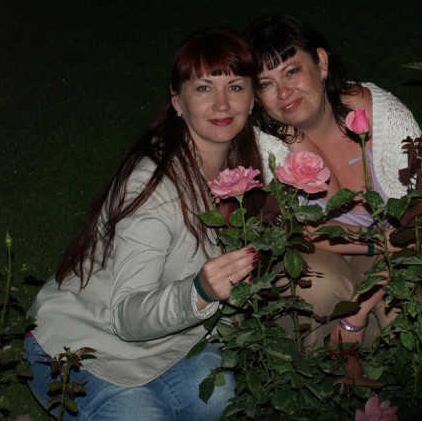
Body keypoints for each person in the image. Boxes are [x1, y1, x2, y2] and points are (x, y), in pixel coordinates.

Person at [24, 28, 262, 420]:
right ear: (178, 101)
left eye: (235, 87)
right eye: (204, 88)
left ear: (252, 98)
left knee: (217, 397)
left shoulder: (245, 167)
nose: (222, 103)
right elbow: (125, 315)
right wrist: (199, 291)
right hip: (80, 344)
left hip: (165, 343)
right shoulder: (153, 187)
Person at [243, 14, 422, 348]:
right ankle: (308, 368)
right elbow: (297, 233)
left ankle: (372, 361)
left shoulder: (382, 115)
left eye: (291, 71)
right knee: (317, 284)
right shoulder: (267, 141)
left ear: (321, 63)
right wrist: (294, 138)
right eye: (266, 83)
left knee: (407, 302)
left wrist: (358, 312)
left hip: (390, 250)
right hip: (329, 251)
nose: (284, 93)